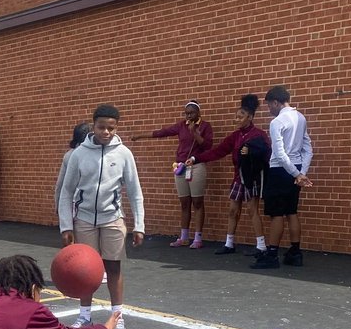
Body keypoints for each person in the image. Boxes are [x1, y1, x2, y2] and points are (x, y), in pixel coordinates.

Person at [57, 103, 145, 329]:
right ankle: (84, 315)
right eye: (101, 127)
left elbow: (135, 191)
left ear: (116, 128)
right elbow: (66, 192)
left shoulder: (124, 154)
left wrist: (140, 225)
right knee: (86, 270)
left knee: (114, 268)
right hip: (84, 219)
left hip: (112, 218)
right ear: (93, 126)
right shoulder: (79, 154)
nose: (106, 132)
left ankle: (118, 318)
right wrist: (66, 225)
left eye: (111, 128)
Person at [186, 94, 270, 255]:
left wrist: (251, 151)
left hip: (251, 178)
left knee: (252, 210)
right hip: (239, 177)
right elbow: (218, 151)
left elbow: (267, 154)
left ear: (250, 117)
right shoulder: (235, 136)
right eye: (236, 116)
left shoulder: (259, 135)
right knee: (233, 210)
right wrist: (196, 158)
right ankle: (229, 243)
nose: (237, 119)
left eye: (241, 116)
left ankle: (261, 246)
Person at [132, 100, 213, 248]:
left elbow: (207, 145)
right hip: (181, 167)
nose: (189, 115)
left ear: (198, 113)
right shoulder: (181, 125)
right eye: (186, 113)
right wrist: (140, 136)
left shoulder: (205, 126)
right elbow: (163, 132)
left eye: (192, 112)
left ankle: (198, 238)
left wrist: (194, 132)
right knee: (184, 203)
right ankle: (183, 237)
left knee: (197, 202)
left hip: (196, 166)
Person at [255, 85, 312, 269]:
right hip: (295, 168)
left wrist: (297, 174)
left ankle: (272, 255)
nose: (269, 109)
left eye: (269, 106)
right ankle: (295, 253)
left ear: (276, 102)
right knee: (291, 211)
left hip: (280, 170)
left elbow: (279, 153)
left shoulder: (277, 122)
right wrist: (301, 172)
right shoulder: (300, 117)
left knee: (277, 213)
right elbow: (308, 148)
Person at [54, 121, 92, 209]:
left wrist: (58, 206)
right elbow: (60, 184)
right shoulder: (87, 155)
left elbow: (60, 185)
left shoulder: (69, 154)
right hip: (83, 206)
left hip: (72, 204)